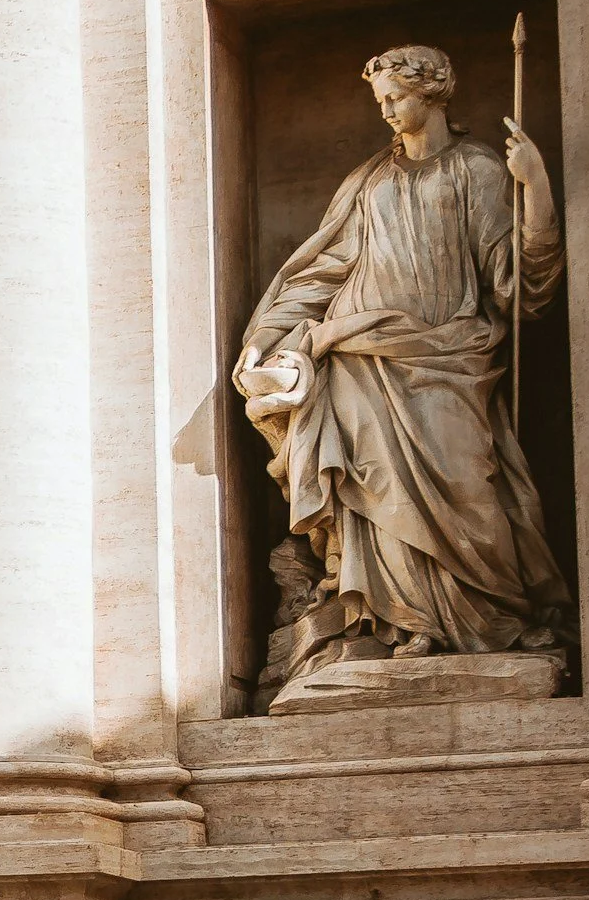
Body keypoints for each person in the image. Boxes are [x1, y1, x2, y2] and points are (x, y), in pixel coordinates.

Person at [233, 43, 570, 670]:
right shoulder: (370, 182)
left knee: (468, 485)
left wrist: (537, 187)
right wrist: (267, 335)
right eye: (380, 100)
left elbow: (520, 283)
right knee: (376, 489)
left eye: (396, 98)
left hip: (449, 355)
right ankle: (400, 623)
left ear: (433, 94)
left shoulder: (477, 170)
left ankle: (493, 619)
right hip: (359, 358)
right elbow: (323, 272)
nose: (386, 110)